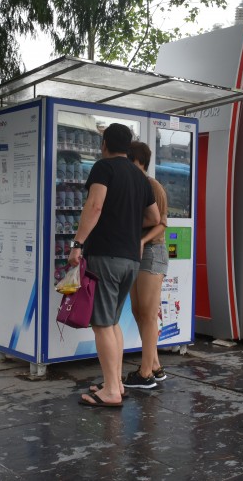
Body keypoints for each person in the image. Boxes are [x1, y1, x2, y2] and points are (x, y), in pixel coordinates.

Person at [68, 123, 160, 408]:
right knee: (113, 322)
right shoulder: (140, 176)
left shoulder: (103, 167)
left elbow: (95, 205)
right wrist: (128, 224)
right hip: (131, 259)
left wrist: (78, 243)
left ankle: (110, 391)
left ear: (104, 143)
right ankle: (116, 383)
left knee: (102, 324)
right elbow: (154, 217)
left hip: (105, 255)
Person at [124, 141, 169, 389]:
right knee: (138, 311)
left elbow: (162, 223)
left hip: (152, 252)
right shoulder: (133, 184)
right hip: (136, 253)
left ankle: (145, 374)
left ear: (138, 161)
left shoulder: (153, 186)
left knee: (149, 313)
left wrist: (141, 240)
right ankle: (154, 366)